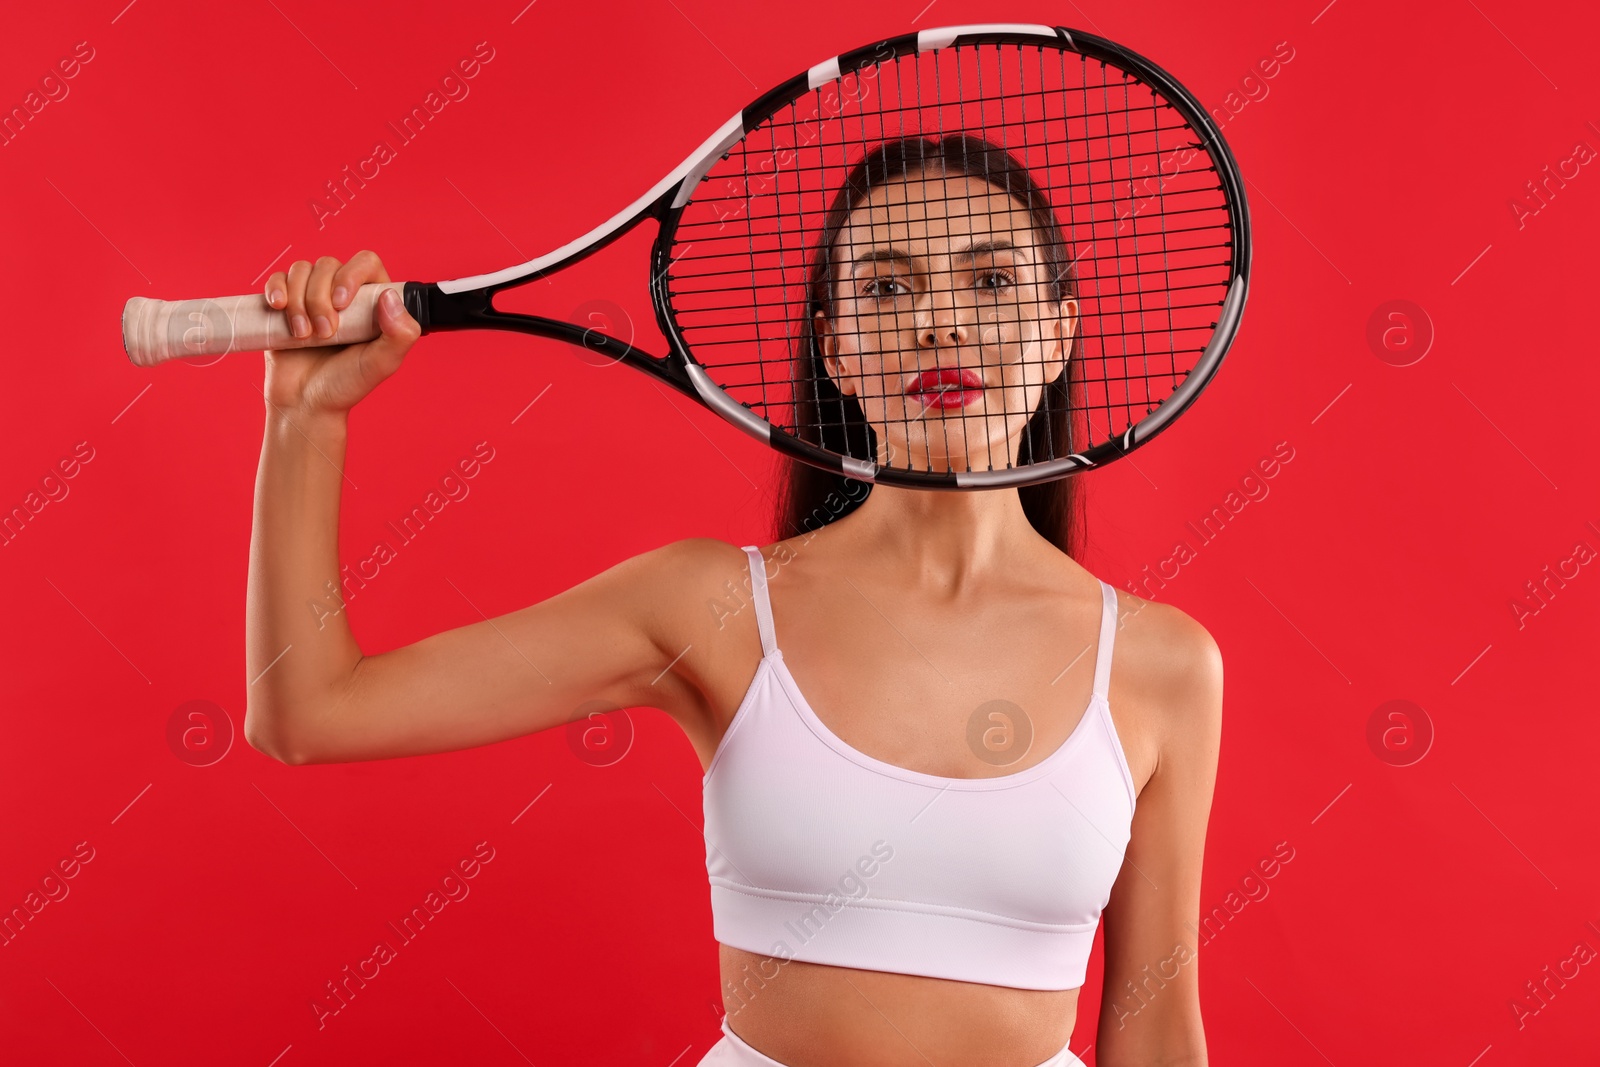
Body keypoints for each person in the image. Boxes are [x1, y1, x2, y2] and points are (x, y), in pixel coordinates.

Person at [245, 134, 1222, 1067]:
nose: (942, 323)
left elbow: (1156, 1029)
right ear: (834, 351)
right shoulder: (708, 606)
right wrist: (304, 419)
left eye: (992, 279)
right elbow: (309, 708)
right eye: (888, 285)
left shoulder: (1160, 663)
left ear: (1059, 330)